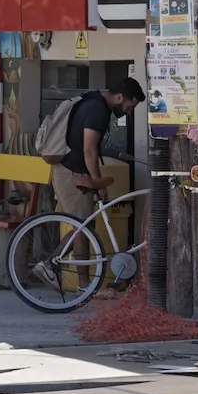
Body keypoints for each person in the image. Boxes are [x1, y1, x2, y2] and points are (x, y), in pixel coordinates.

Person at [47, 78, 146, 290]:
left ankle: (54, 266)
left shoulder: (94, 103)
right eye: (130, 106)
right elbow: (89, 149)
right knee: (81, 227)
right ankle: (79, 282)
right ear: (119, 97)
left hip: (72, 171)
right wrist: (98, 182)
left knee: (84, 226)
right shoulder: (97, 110)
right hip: (71, 172)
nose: (128, 111)